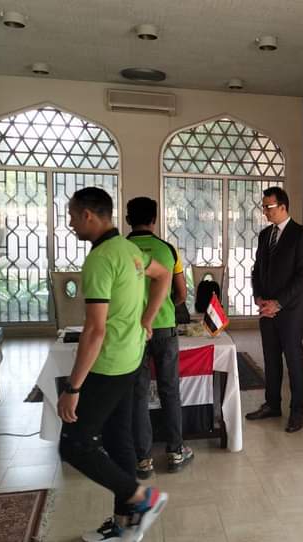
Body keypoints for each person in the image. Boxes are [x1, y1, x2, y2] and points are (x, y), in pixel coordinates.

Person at [57, 188, 169, 542]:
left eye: (72, 216)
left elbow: (95, 330)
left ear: (88, 215)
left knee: (74, 445)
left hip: (107, 365)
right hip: (131, 358)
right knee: (118, 439)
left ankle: (142, 498)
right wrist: (147, 320)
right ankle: (124, 525)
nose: (71, 223)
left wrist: (73, 387)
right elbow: (164, 275)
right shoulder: (129, 250)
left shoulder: (101, 258)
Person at [125, 197, 193, 479]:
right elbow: (182, 294)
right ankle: (175, 452)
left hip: (133, 331)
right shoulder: (168, 249)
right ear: (154, 220)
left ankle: (143, 460)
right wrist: (165, 307)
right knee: (169, 390)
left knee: (138, 394)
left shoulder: (121, 250)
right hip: (164, 329)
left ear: (128, 220)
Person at [247, 186, 303, 433]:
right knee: (270, 358)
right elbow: (257, 269)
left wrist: (278, 303)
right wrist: (259, 297)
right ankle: (272, 404)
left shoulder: (301, 235)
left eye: (269, 207)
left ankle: (297, 412)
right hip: (267, 309)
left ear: (283, 206)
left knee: (293, 360)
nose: (265, 211)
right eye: (263, 207)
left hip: (291, 310)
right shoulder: (265, 235)